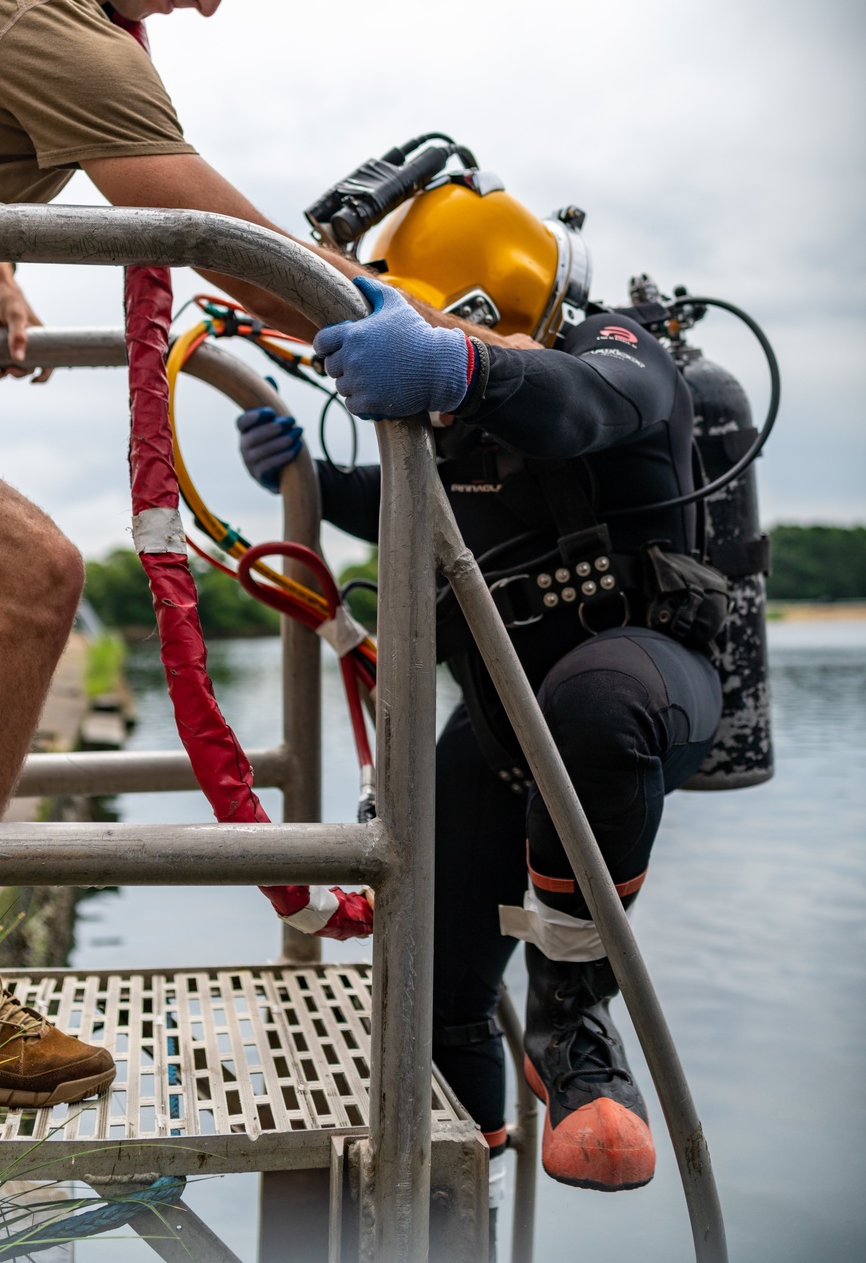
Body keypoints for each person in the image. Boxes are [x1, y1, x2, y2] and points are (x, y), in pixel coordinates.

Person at [0, 0, 503, 1109]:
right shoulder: (49, 22)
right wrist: (457, 353)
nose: (212, 2)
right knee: (33, 573)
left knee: (26, 572)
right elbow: (241, 257)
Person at [237, 262, 724, 1218]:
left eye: (433, 319)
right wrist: (301, 475)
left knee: (591, 710)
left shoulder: (614, 350)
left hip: (637, 690)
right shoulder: (457, 430)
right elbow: (409, 490)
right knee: (431, 1002)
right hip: (497, 744)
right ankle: (463, 1214)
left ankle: (574, 1013)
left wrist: (465, 366)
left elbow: (583, 405)